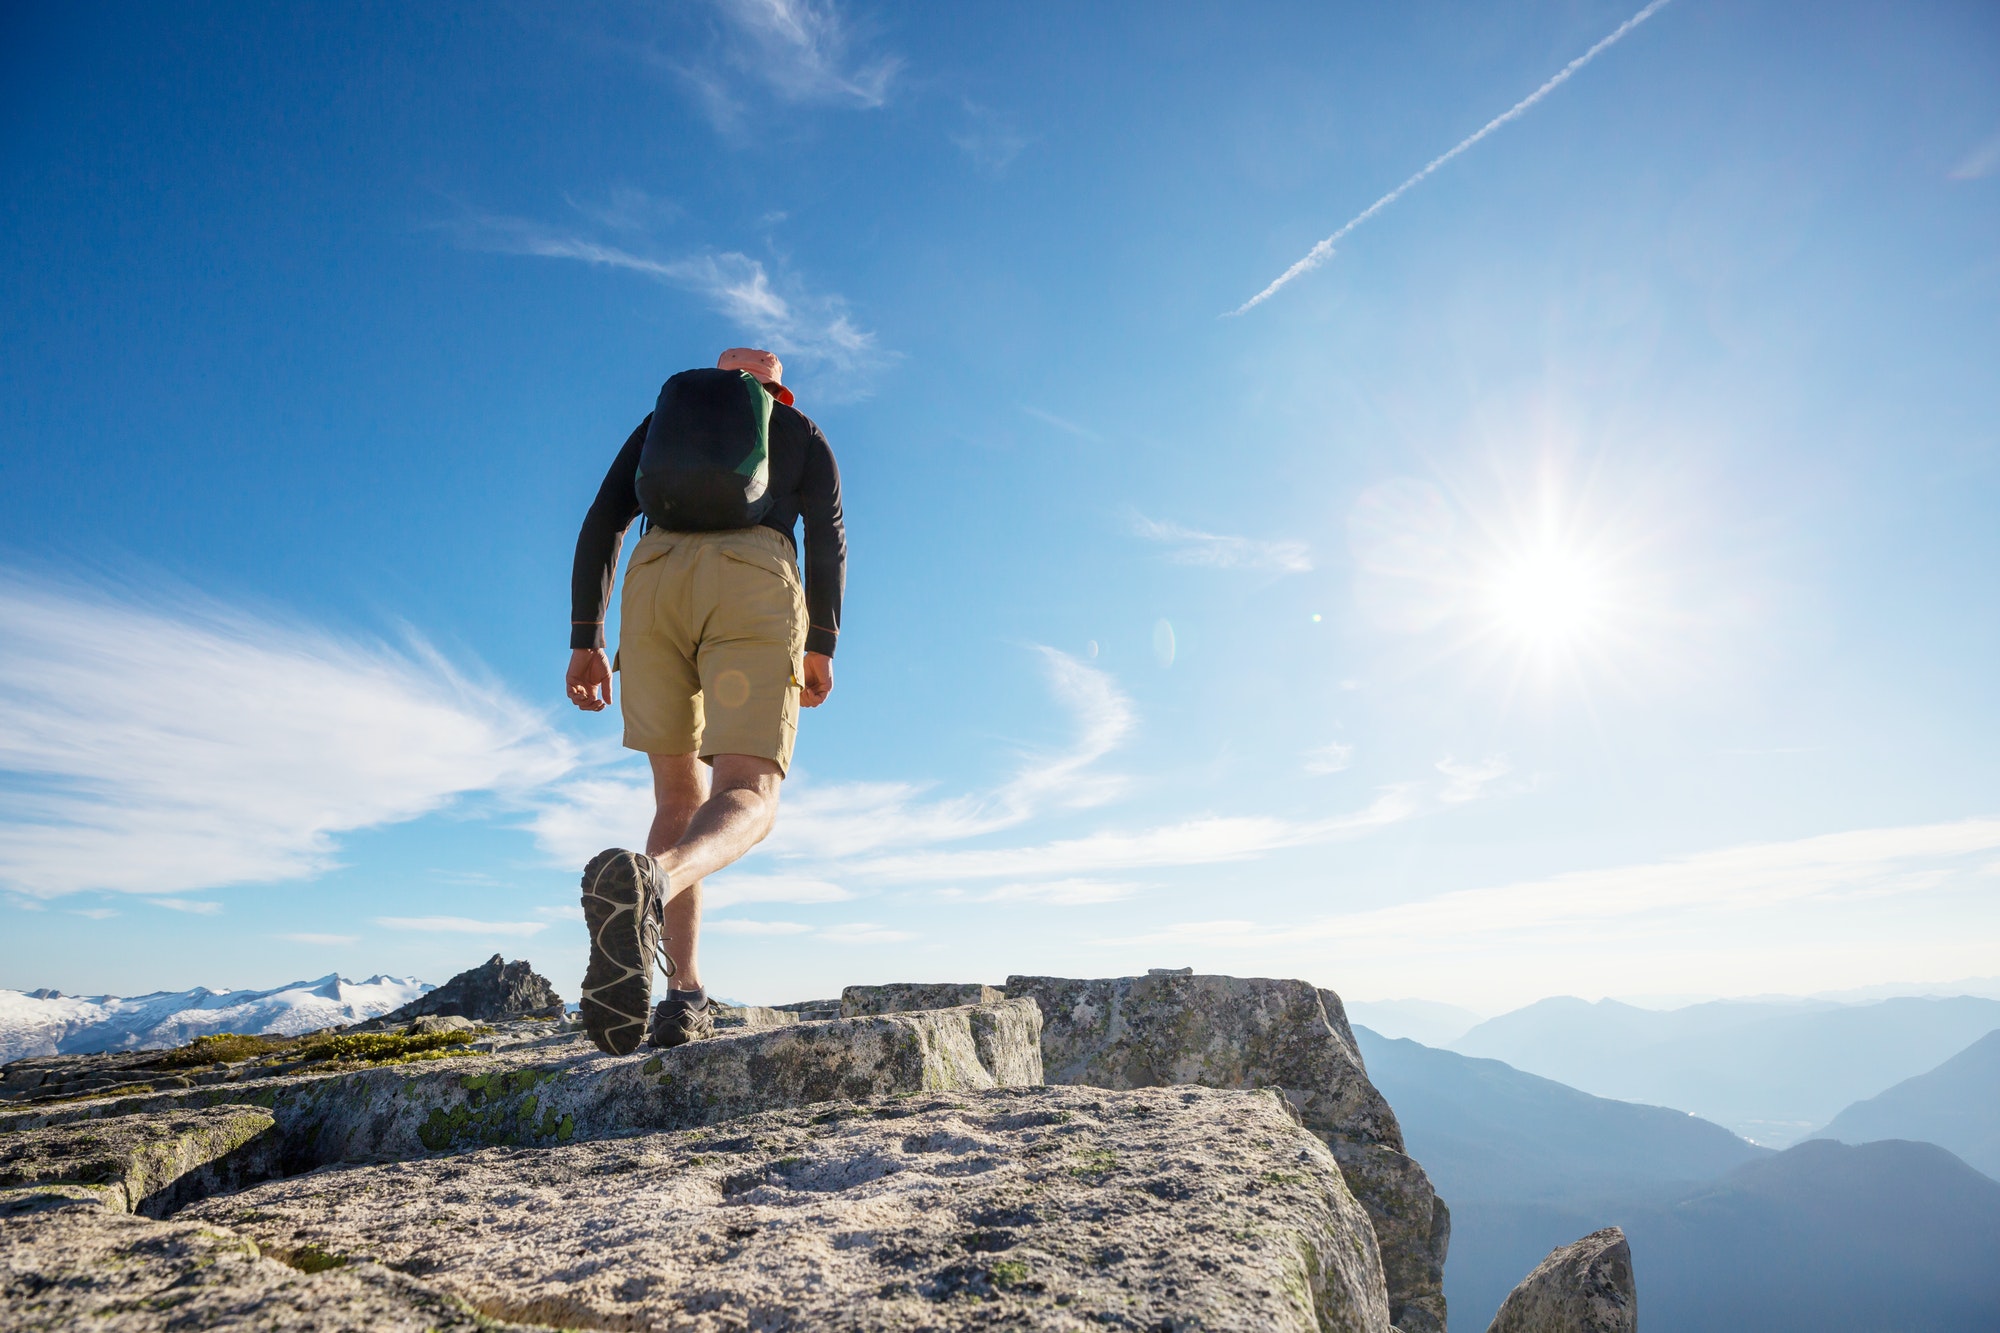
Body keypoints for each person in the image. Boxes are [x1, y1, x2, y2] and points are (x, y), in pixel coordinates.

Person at [564, 347, 845, 1055]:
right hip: (752, 577)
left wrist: (584, 637)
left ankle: (680, 995)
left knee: (675, 799)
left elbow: (603, 518)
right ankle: (653, 881)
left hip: (654, 579)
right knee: (749, 790)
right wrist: (822, 642)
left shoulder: (662, 425)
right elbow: (828, 537)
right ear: (775, 394)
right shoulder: (800, 432)